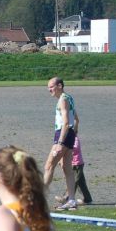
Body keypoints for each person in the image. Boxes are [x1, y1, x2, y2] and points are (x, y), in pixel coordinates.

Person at [43, 77, 79, 210]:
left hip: (62, 134)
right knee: (67, 168)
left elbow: (65, 122)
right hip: (69, 134)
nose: (49, 90)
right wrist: (74, 132)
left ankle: (38, 199)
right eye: (48, 87)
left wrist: (59, 143)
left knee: (49, 166)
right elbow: (76, 119)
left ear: (59, 86)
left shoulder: (63, 100)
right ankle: (72, 200)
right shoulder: (69, 98)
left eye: (51, 87)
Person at [55, 135, 93, 206]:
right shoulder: (67, 139)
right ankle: (88, 199)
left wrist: (65, 148)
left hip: (77, 164)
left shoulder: (75, 138)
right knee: (81, 183)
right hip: (72, 164)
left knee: (74, 181)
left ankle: (66, 197)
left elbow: (75, 149)